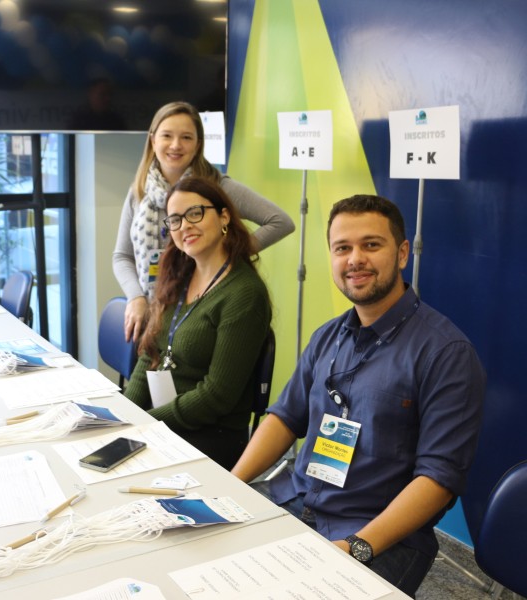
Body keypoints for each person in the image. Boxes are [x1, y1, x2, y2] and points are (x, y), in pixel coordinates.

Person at [231, 194, 485, 597]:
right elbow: (284, 417)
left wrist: (357, 547)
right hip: (297, 505)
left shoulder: (446, 354)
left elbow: (439, 479)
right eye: (342, 248)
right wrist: (232, 485)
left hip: (378, 536)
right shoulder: (327, 336)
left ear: (402, 253)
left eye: (371, 245)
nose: (355, 259)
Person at [112, 101, 294, 342]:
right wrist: (136, 297)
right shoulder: (139, 191)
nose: (176, 145)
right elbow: (122, 256)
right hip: (152, 316)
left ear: (198, 145)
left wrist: (230, 254)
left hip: (199, 320)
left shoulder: (218, 186)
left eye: (186, 137)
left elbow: (280, 221)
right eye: (167, 135)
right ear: (153, 139)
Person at [125, 176, 272, 470]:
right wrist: (125, 414)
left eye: (195, 213)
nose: (185, 226)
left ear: (224, 216)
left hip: (210, 437)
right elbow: (150, 354)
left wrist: (146, 423)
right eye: (175, 220)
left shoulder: (244, 293)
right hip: (164, 424)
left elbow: (216, 396)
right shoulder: (179, 276)